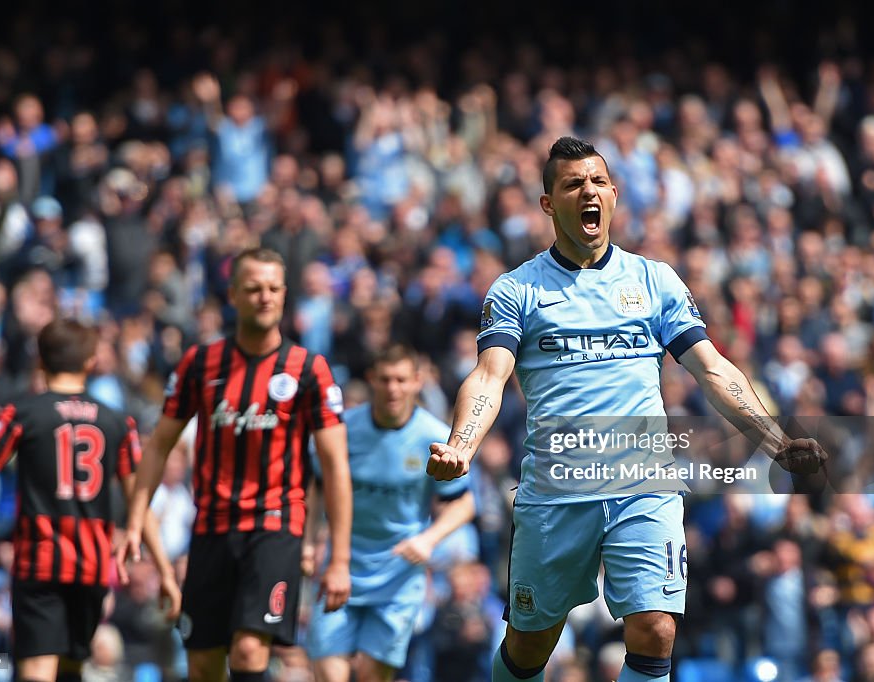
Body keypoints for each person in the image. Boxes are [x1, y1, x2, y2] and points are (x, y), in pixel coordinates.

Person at [425, 137, 827, 682]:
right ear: (548, 204)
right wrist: (462, 444)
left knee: (656, 627)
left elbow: (712, 368)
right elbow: (489, 377)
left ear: (613, 194)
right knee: (528, 645)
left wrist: (776, 442)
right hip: (557, 488)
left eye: (596, 182)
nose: (587, 192)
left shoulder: (653, 280)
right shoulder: (517, 288)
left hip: (644, 480)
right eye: (571, 184)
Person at [118, 247, 352, 682]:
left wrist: (338, 557)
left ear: (284, 295)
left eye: (273, 288)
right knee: (203, 661)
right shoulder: (200, 364)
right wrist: (135, 520)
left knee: (248, 650)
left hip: (275, 527)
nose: (264, 297)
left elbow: (336, 466)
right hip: (211, 529)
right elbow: (158, 446)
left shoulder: (308, 369)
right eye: (253, 288)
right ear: (234, 295)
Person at [0, 318, 181, 682]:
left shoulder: (24, 414)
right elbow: (141, 501)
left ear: (40, 362)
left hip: (41, 565)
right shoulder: (117, 422)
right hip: (92, 569)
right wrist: (166, 573)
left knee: (36, 671)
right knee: (71, 670)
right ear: (91, 362)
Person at [305, 344, 475, 682]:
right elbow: (316, 488)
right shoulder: (343, 429)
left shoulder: (433, 437)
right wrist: (310, 542)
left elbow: (464, 503)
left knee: (371, 675)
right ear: (371, 380)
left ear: (417, 381)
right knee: (329, 673)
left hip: (398, 574)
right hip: (342, 565)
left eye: (401, 380)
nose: (392, 389)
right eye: (384, 379)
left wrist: (428, 540)